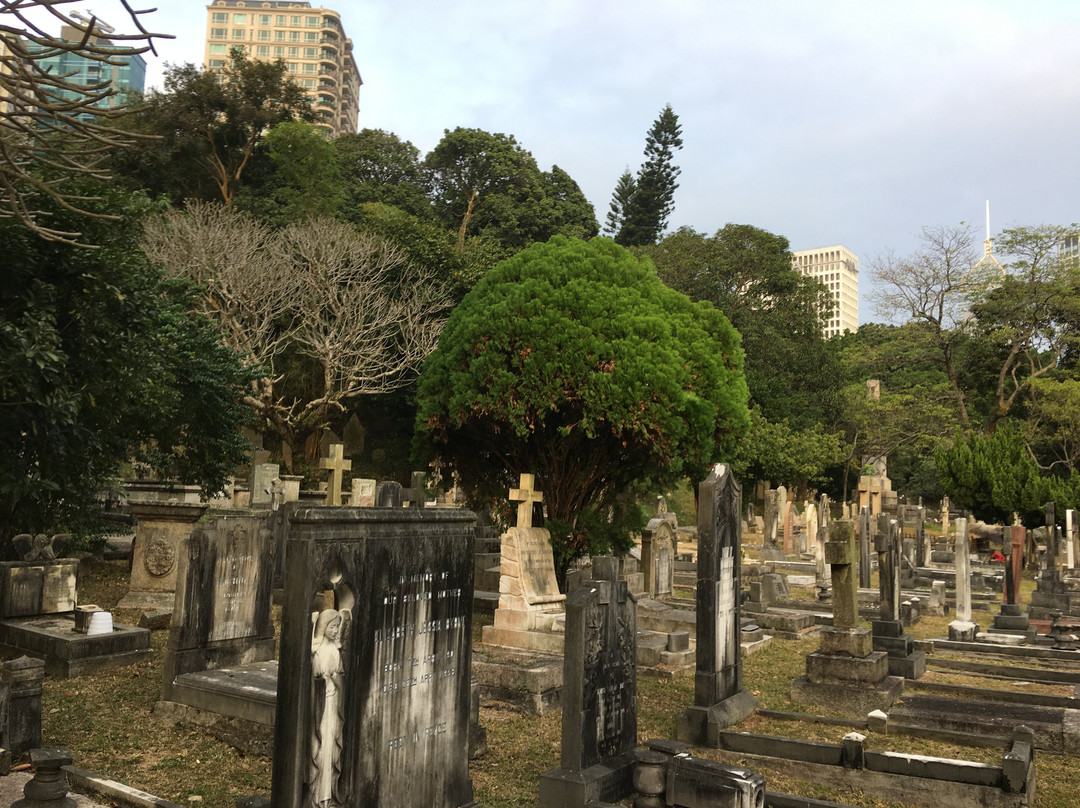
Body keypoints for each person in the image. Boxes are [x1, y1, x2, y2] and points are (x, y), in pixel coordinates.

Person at [308, 608, 347, 808]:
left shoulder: (335, 649)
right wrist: (324, 680)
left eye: (337, 627)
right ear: (323, 627)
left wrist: (335, 679)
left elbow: (340, 675)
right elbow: (314, 680)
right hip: (321, 708)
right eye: (332, 626)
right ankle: (318, 796)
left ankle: (329, 794)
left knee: (331, 749)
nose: (335, 630)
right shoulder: (318, 651)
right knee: (321, 748)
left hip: (333, 705)